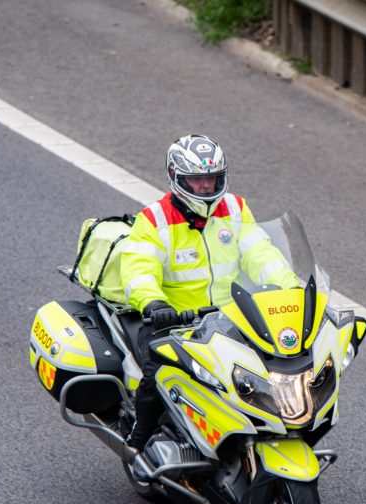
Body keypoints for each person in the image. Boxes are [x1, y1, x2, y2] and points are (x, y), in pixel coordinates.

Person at [119, 133, 299, 450]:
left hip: (232, 319)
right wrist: (153, 303)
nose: (206, 187)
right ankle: (138, 443)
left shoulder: (234, 208)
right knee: (156, 373)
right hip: (174, 323)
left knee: (272, 368)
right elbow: (138, 269)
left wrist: (291, 288)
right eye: (197, 180)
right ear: (177, 178)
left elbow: (261, 254)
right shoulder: (154, 219)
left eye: (212, 178)